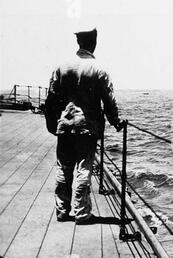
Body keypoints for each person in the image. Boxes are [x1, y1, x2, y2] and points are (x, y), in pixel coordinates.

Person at [44, 28, 124, 225]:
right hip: (87, 127)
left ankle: (62, 211)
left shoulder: (61, 67)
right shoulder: (99, 69)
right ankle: (82, 213)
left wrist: (52, 123)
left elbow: (51, 99)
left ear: (79, 43)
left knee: (63, 168)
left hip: (65, 124)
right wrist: (115, 121)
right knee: (83, 168)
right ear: (94, 43)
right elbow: (109, 101)